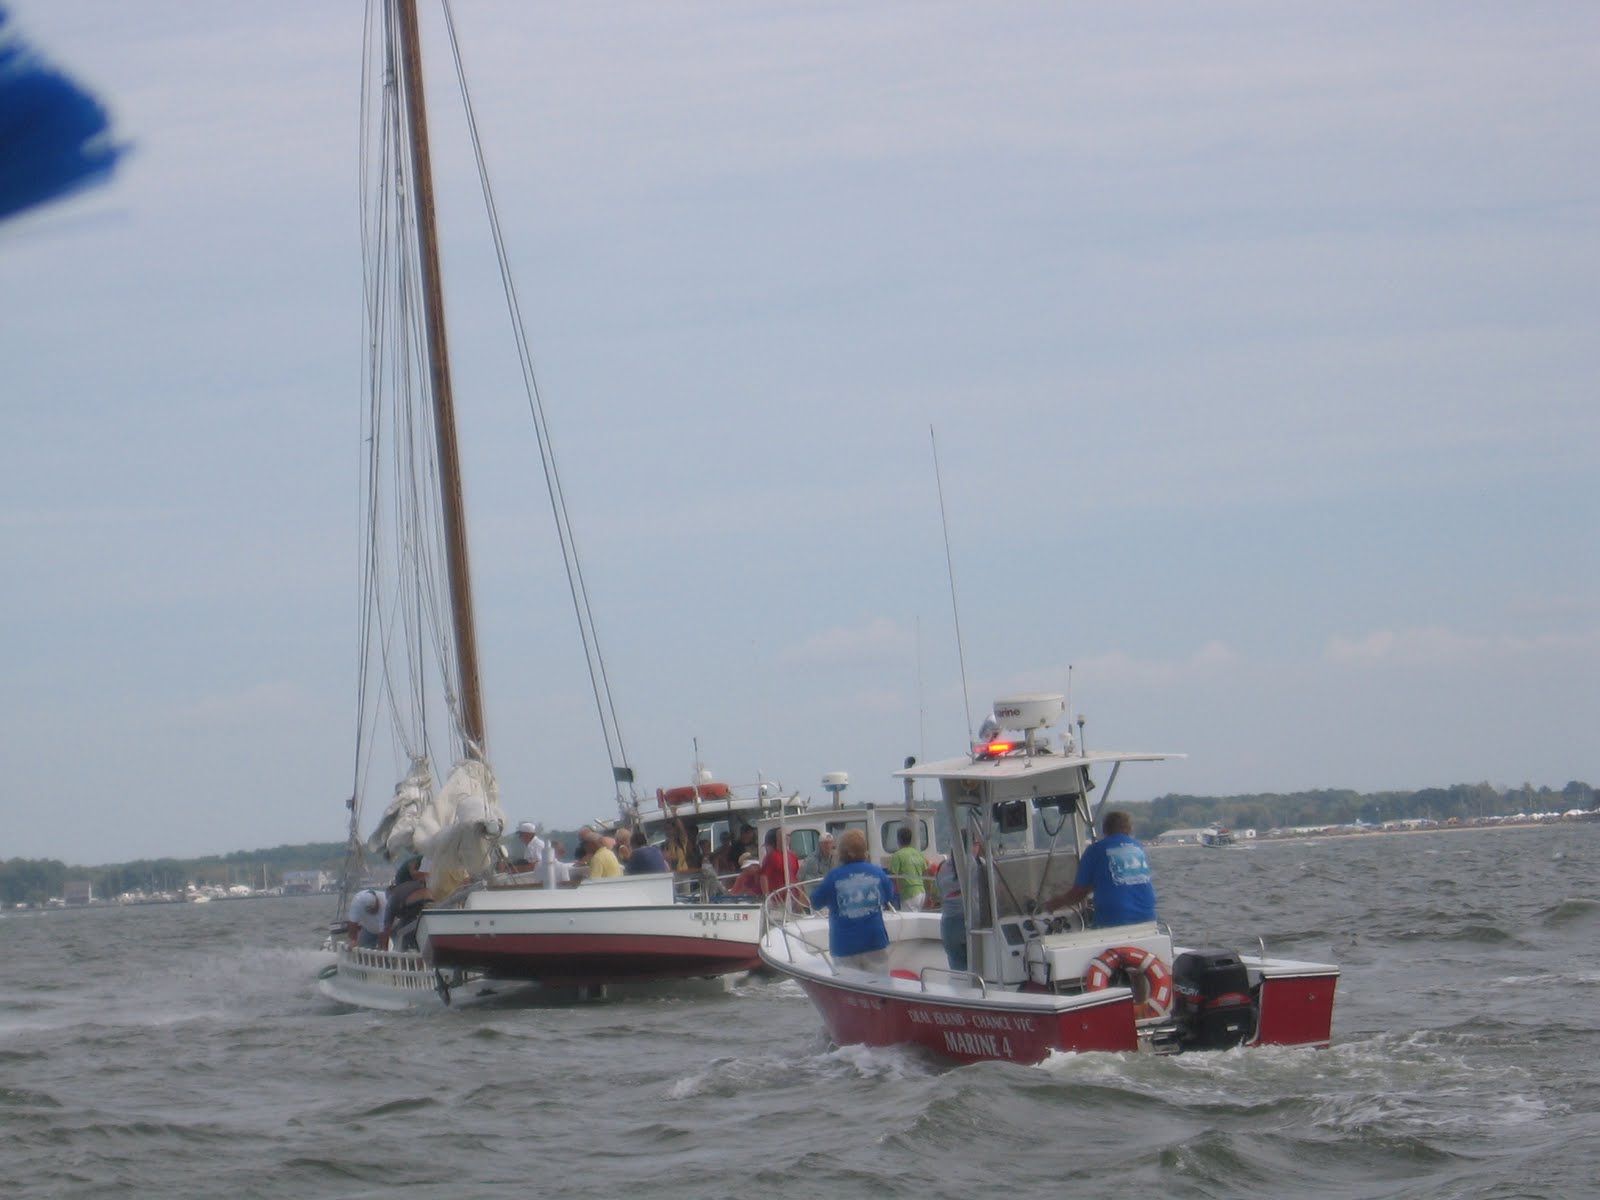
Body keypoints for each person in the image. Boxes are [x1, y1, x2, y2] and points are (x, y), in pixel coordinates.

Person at [1045, 810, 1156, 927]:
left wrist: (1054, 903)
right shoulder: (1138, 847)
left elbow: (1078, 893)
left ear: (1105, 830)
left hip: (1115, 919)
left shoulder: (1095, 850)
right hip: (1148, 918)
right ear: (1129, 829)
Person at [811, 829, 899, 969]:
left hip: (844, 945)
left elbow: (815, 903)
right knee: (880, 984)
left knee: (848, 985)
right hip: (875, 940)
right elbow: (889, 896)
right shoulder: (878, 872)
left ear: (842, 852)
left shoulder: (833, 877)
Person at [887, 826, 928, 911]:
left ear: (898, 840)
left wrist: (897, 891)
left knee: (909, 921)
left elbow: (894, 876)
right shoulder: (918, 853)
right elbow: (925, 872)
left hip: (909, 893)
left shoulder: (898, 855)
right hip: (921, 892)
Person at [759, 828, 801, 903]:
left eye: (788, 835)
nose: (787, 838)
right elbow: (763, 877)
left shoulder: (793, 856)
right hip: (777, 899)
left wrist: (799, 896)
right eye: (784, 836)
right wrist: (767, 898)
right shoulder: (771, 857)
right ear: (778, 838)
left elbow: (797, 877)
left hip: (793, 897)